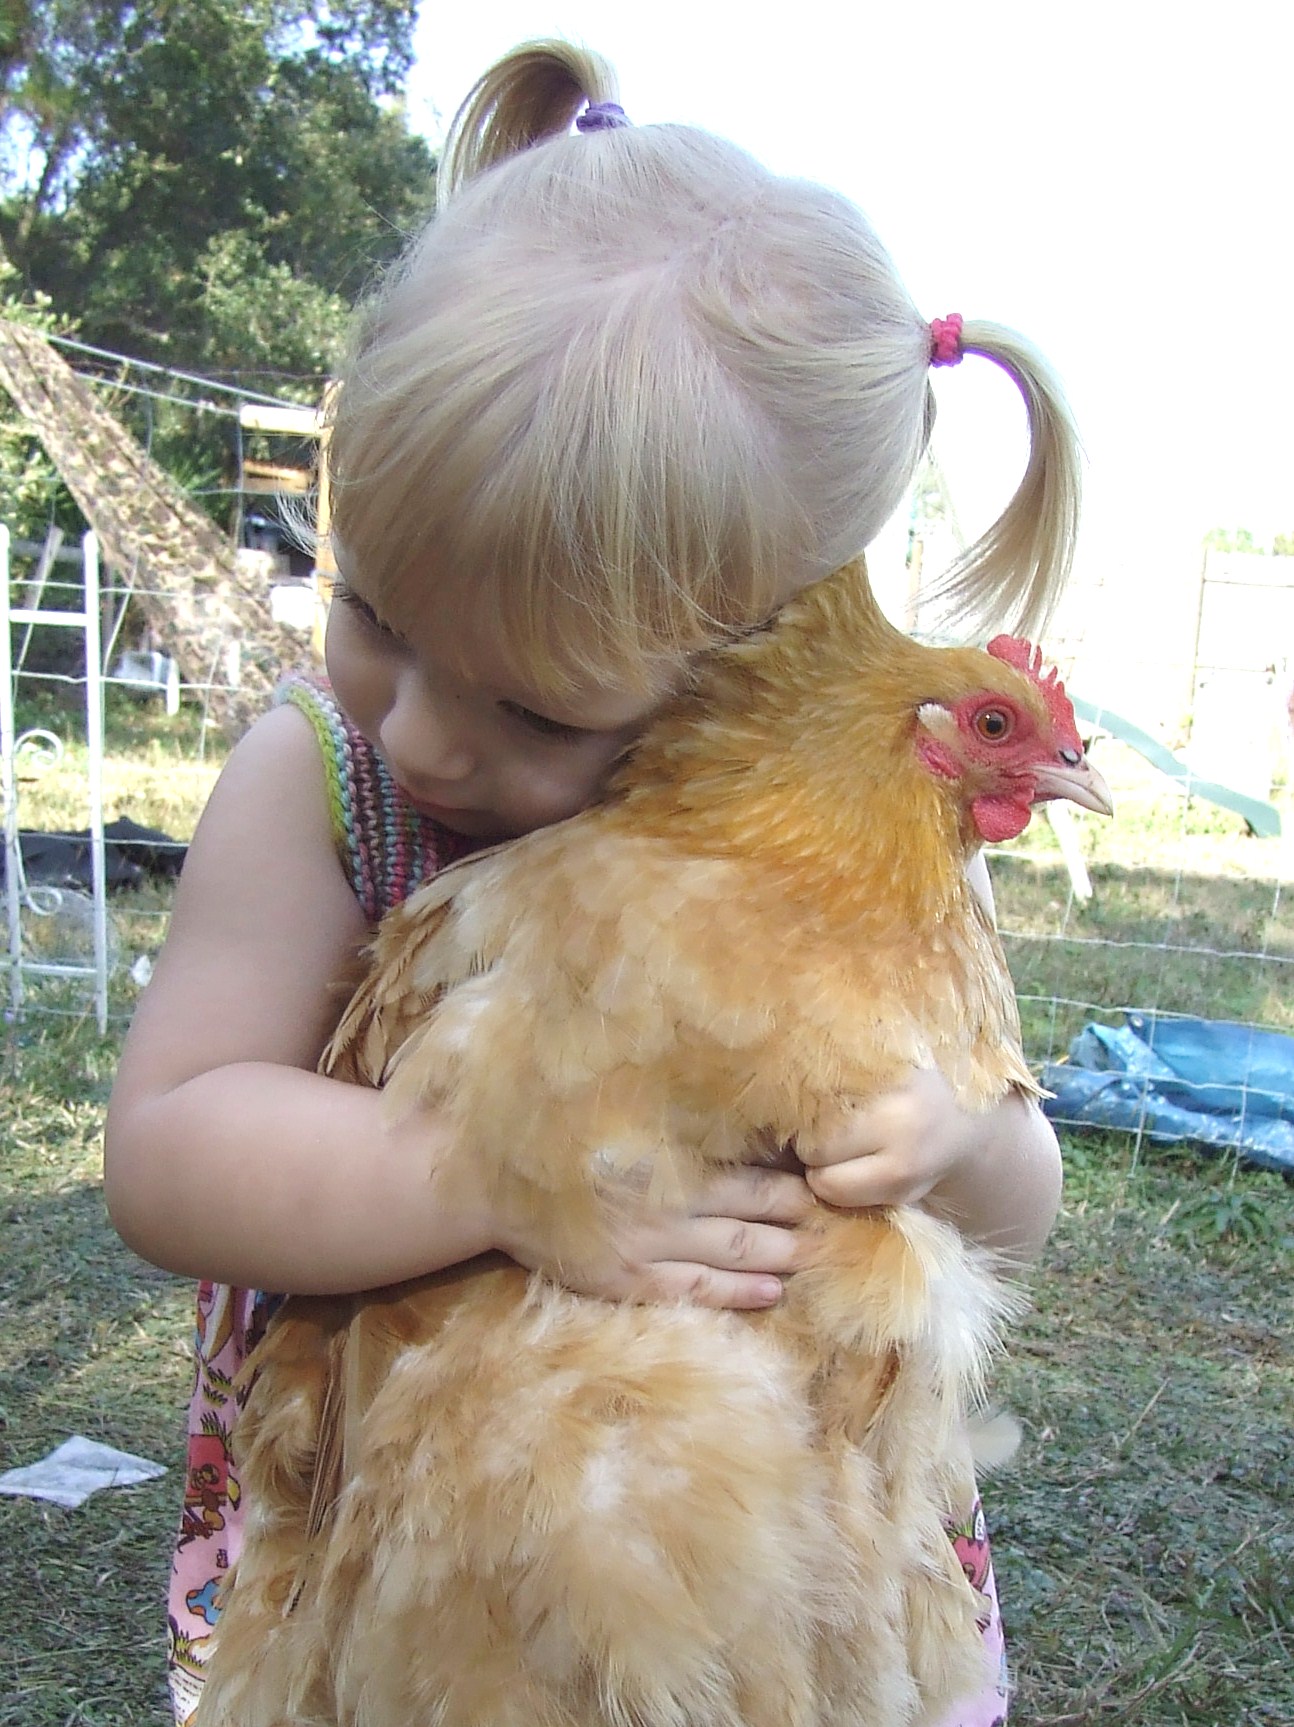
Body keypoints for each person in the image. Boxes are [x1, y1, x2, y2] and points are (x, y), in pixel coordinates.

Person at [104, 39, 1077, 1727]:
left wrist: (962, 1142)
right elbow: (171, 1146)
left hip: (782, 1560)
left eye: (536, 708)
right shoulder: (318, 786)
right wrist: (496, 1180)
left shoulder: (831, 860)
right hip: (400, 1547)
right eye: (373, 619)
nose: (418, 734)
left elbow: (1021, 1189)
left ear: (750, 672)